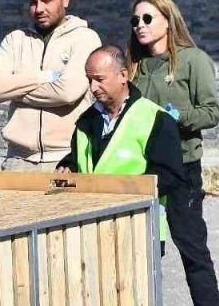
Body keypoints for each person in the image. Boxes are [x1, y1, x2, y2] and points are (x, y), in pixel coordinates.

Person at [127, 0, 219, 306]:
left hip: (182, 169)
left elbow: (212, 112)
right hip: (141, 171)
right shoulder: (133, 66)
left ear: (168, 20)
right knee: (143, 252)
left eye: (148, 19)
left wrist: (177, 119)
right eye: (135, 20)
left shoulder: (193, 60)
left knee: (192, 248)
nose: (140, 26)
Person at [57, 46, 187, 264]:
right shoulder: (86, 120)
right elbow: (78, 159)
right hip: (91, 227)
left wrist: (122, 190)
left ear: (123, 76)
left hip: (138, 228)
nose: (93, 87)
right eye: (89, 79)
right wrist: (67, 167)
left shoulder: (155, 118)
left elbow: (170, 176)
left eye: (99, 79)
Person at [0, 0, 101, 171]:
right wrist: (43, 77)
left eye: (47, 1)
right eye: (33, 2)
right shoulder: (15, 40)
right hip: (18, 160)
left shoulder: (85, 38)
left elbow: (67, 92)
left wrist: (15, 91)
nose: (39, 9)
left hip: (66, 159)